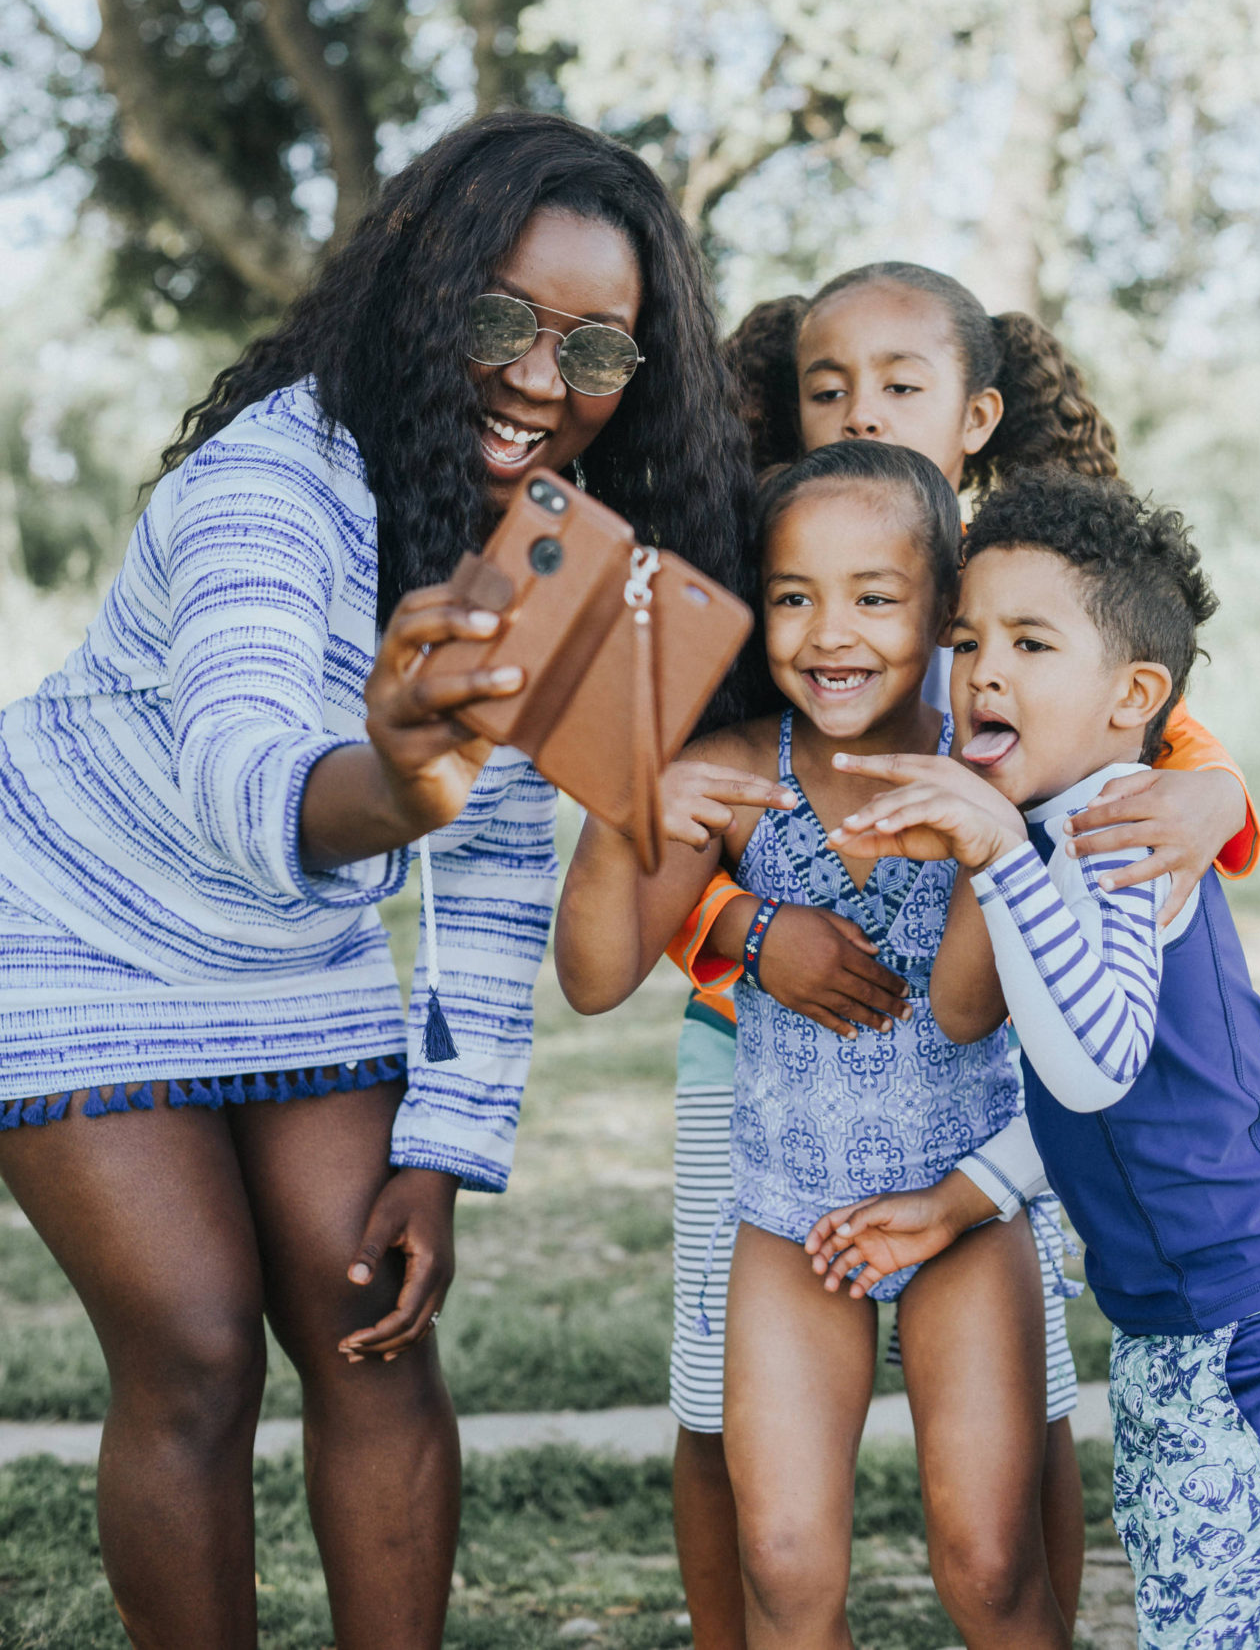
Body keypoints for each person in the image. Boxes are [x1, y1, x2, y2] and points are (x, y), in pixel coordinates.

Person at [0, 112, 756, 1650]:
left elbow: (489, 864)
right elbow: (241, 775)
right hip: (70, 914)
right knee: (201, 1349)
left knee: (369, 1337)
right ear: (419, 287)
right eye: (503, 322)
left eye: (599, 352)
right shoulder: (268, 486)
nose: (543, 384)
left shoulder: (555, 552)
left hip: (293, 943)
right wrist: (407, 774)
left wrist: (449, 1141)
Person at [663, 261, 1260, 1644]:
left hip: (980, 1089)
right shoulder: (779, 595)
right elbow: (668, 816)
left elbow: (1153, 735)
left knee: (1019, 1414)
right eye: (829, 387)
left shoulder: (1006, 595)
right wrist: (748, 932)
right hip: (756, 1071)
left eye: (901, 384)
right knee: (721, 1413)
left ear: (977, 414)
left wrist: (1221, 791)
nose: (862, 408)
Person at [557, 440, 1073, 1650]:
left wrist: (973, 831)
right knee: (783, 1565)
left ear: (948, 612)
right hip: (791, 1215)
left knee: (991, 1564)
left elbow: (964, 1012)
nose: (828, 631)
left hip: (965, 1210)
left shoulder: (993, 765)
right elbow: (590, 980)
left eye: (875, 598)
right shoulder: (732, 775)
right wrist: (620, 822)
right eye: (794, 597)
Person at [833, 467, 1260, 1650]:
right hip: (1188, 1318)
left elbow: (1097, 1067)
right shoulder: (1060, 825)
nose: (985, 673)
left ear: (1134, 698)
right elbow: (1089, 1111)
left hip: (1246, 1316)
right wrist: (957, 1202)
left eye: (1030, 641)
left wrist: (997, 859)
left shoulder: (1122, 826)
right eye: (968, 642)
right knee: (1210, 1620)